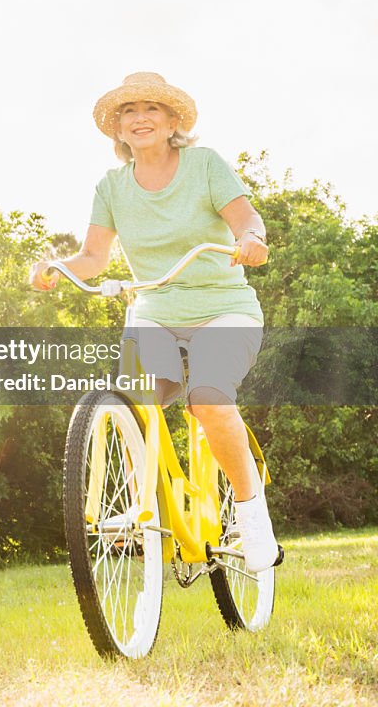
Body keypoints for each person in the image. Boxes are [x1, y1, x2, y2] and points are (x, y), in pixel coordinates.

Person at [29, 71, 279, 573]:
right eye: (129, 111)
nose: (139, 118)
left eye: (151, 109)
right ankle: (141, 501)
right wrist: (55, 266)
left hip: (222, 306)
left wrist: (251, 240)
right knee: (135, 401)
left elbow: (247, 220)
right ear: (118, 130)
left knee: (208, 397)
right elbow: (93, 258)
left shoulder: (205, 165)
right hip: (155, 311)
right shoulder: (112, 187)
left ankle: (252, 515)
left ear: (171, 123)